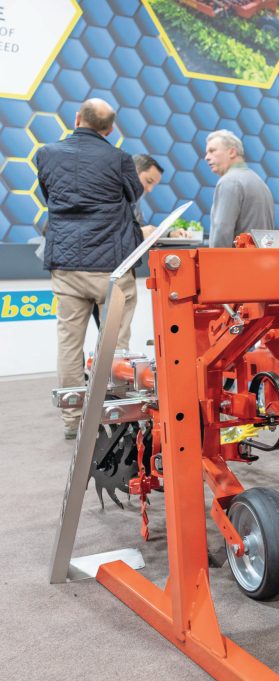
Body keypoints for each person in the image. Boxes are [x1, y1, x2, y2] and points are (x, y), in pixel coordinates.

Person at [35, 98, 142, 439]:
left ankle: (72, 421)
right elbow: (134, 194)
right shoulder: (119, 158)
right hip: (112, 266)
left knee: (69, 343)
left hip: (67, 265)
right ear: (110, 129)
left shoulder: (47, 154)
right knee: (115, 346)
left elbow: (49, 194)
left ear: (77, 118)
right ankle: (115, 414)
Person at [204, 130, 275, 247]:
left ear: (232, 152)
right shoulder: (258, 181)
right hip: (260, 261)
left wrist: (214, 263)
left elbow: (222, 232)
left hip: (238, 263)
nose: (206, 157)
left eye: (212, 151)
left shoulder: (229, 182)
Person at [132, 154, 187, 239]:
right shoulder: (110, 196)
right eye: (149, 181)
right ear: (133, 172)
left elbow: (141, 228)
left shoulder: (135, 200)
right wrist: (139, 232)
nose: (150, 189)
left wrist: (169, 233)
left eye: (153, 185)